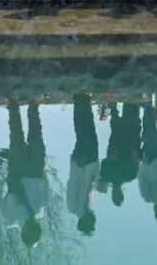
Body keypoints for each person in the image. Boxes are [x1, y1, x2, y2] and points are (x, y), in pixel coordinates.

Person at [0, 100, 48, 249]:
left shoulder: (11, 218)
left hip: (18, 173)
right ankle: (33, 104)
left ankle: (13, 105)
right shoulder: (41, 213)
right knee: (36, 136)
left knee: (16, 136)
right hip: (37, 171)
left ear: (25, 233)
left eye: (33, 233)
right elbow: (45, 191)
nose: (36, 230)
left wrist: (2, 179)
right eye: (37, 232)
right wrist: (43, 172)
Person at [67, 94, 99, 236]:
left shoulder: (73, 207)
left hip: (82, 164)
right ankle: (85, 103)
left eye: (90, 224)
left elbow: (72, 184)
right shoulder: (89, 207)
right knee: (90, 132)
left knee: (82, 132)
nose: (93, 222)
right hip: (91, 163)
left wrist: (78, 165)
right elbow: (92, 184)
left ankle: (79, 103)